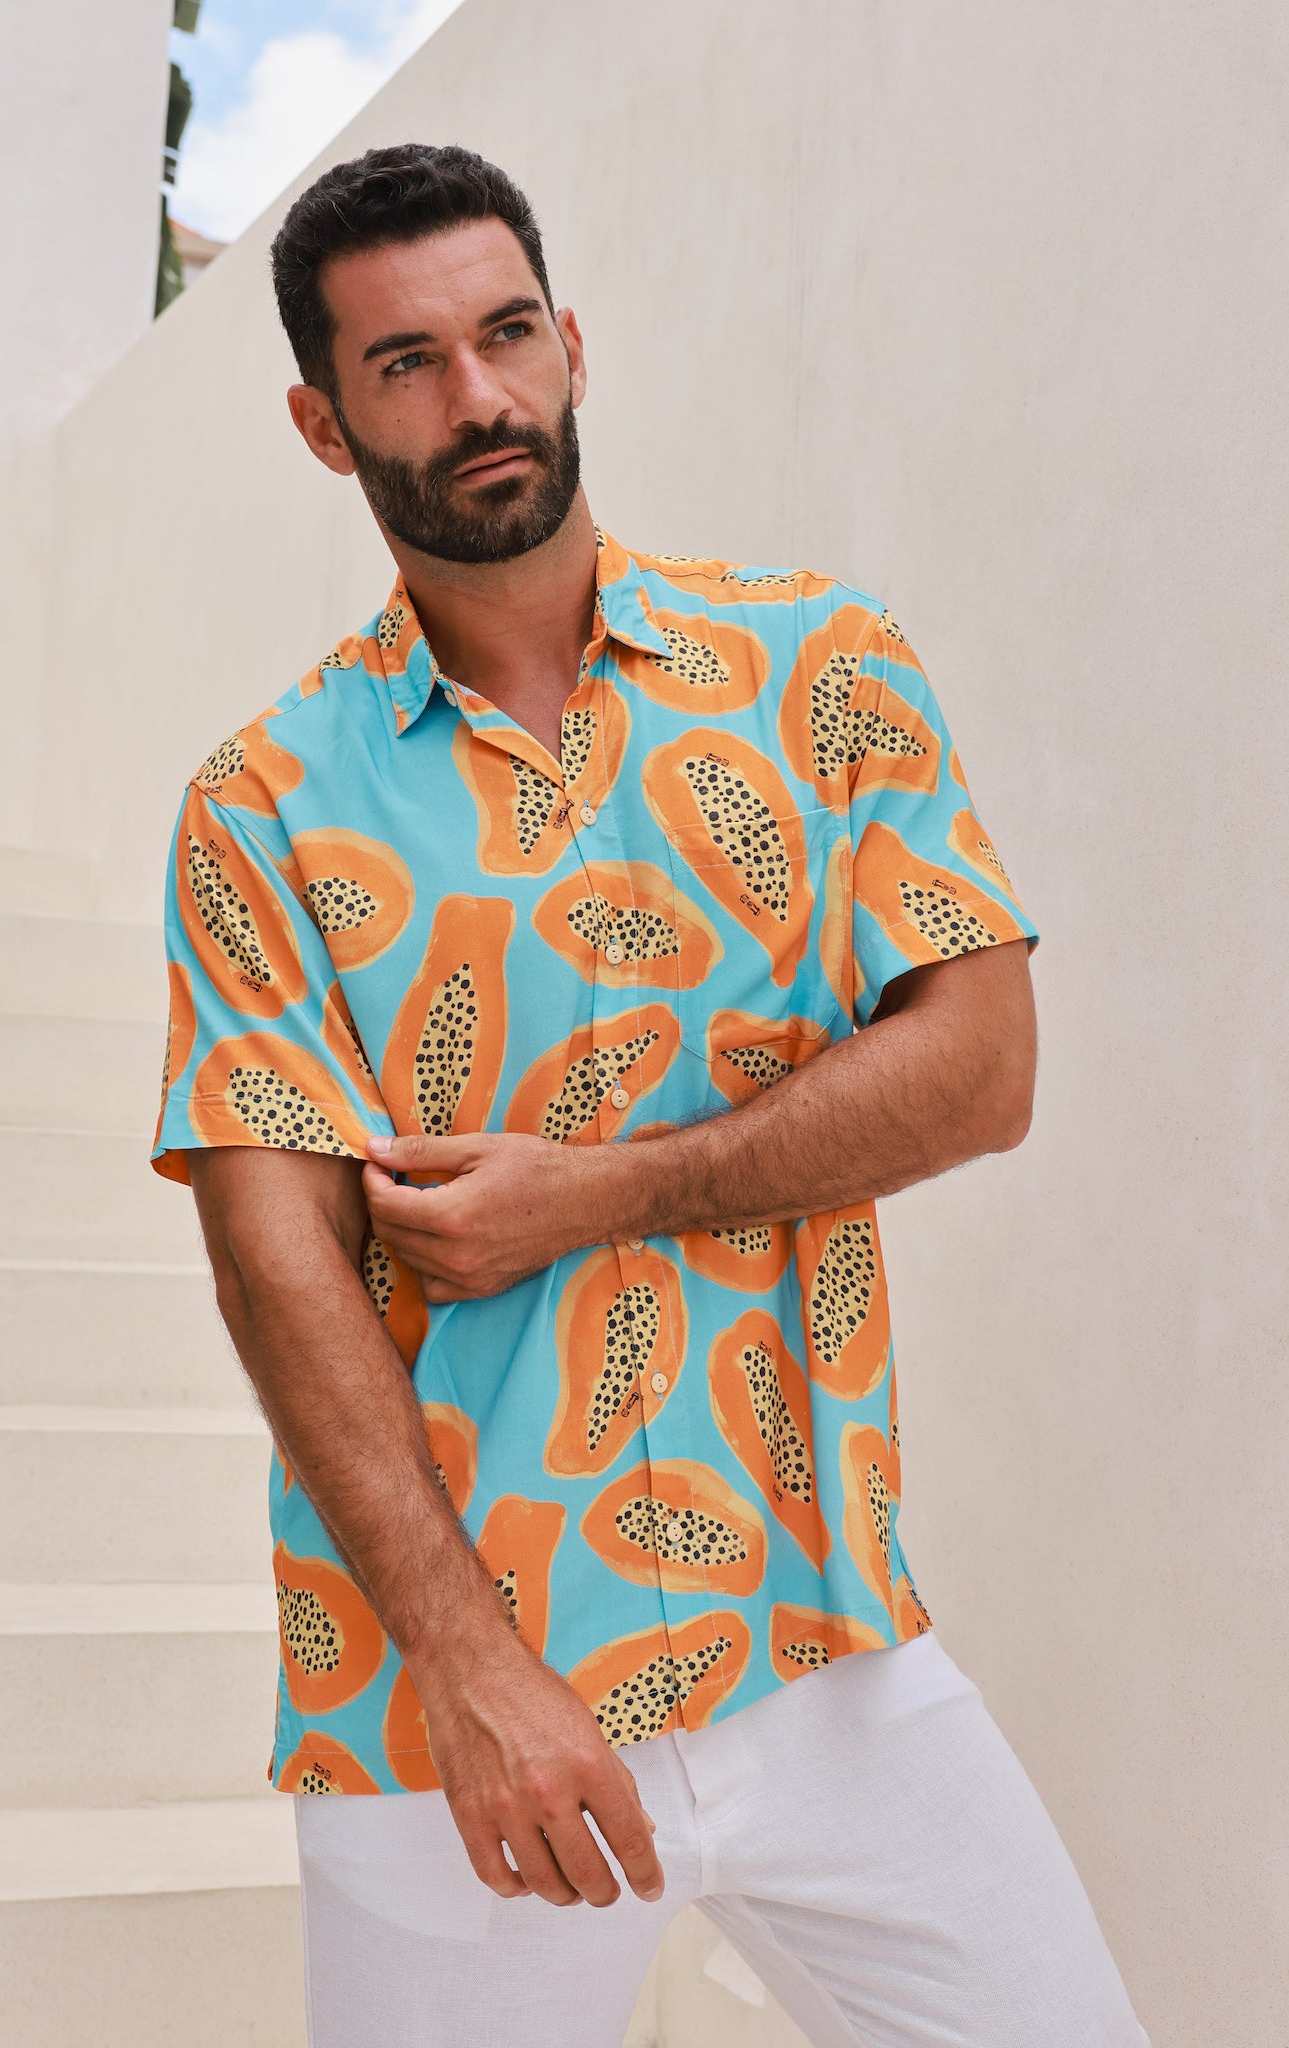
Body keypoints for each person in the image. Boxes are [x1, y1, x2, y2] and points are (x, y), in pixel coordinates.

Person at [151, 143, 1148, 2048]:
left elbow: (981, 1066)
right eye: (407, 363)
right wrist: (472, 1670)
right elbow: (276, 1269)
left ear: (572, 344)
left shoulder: (819, 667)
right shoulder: (261, 807)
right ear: (321, 423)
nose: (480, 396)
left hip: (822, 1642)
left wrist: (595, 1191)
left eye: (507, 333)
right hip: (454, 1715)